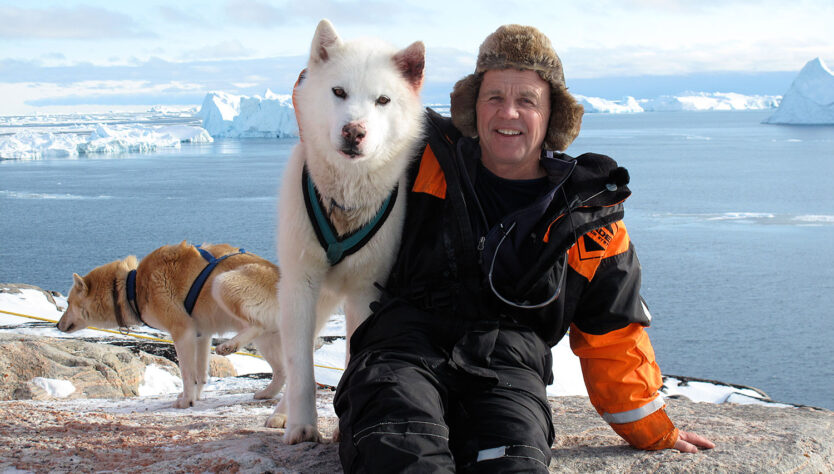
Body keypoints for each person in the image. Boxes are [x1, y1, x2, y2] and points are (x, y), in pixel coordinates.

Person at [334, 24, 714, 472]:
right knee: (399, 450)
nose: (507, 113)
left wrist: (652, 428)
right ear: (472, 108)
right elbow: (318, 94)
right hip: (399, 353)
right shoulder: (418, 158)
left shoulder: (586, 218)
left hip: (507, 372)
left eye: (527, 100)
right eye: (494, 97)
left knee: (513, 462)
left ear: (552, 115)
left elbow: (611, 332)